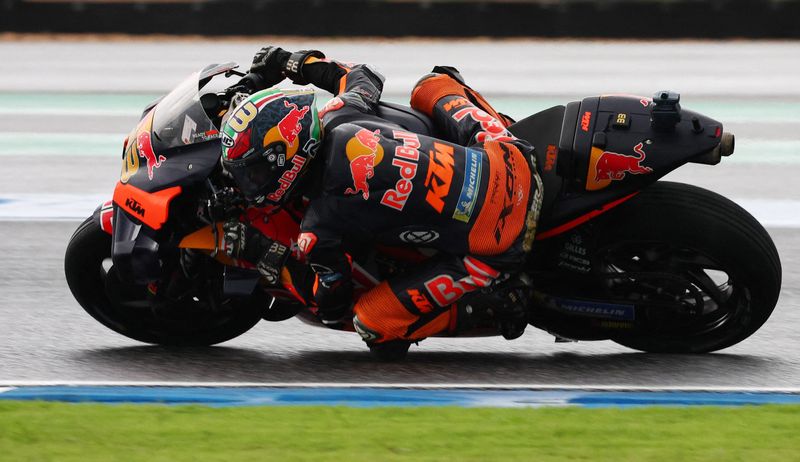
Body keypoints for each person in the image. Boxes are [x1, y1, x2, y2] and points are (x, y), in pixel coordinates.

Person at [220, 46, 543, 357]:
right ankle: (505, 125)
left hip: (499, 241)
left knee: (372, 324)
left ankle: (499, 302)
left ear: (284, 161)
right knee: (433, 84)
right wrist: (293, 62)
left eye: (254, 172)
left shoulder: (318, 225)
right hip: (512, 157)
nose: (250, 183)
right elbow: (363, 75)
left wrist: (265, 254)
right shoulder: (341, 113)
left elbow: (332, 305)